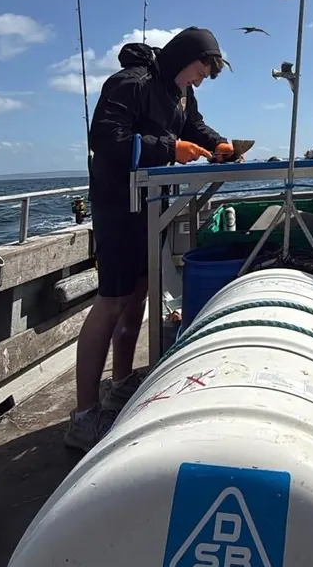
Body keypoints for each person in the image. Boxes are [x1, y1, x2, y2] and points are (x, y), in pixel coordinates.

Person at [65, 27, 234, 452]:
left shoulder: (180, 93)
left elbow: (193, 126)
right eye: (202, 69)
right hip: (117, 207)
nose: (201, 79)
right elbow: (105, 139)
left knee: (140, 292)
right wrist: (168, 148)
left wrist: (218, 143)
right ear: (184, 58)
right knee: (112, 300)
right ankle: (83, 416)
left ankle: (121, 383)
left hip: (152, 206)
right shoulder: (130, 83)